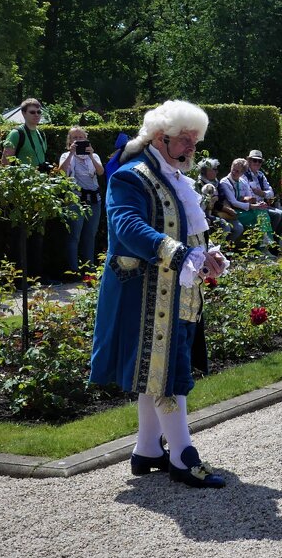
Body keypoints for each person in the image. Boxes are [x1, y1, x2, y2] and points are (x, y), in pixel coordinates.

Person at [89, 100, 228, 489]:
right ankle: (183, 456)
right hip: (145, 294)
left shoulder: (175, 178)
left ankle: (148, 448)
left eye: (194, 142)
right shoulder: (130, 177)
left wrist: (208, 253)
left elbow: (190, 230)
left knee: (163, 367)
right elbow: (127, 226)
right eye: (184, 141)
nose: (190, 149)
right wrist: (179, 252)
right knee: (166, 371)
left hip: (176, 292)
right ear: (158, 138)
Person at [1, 98, 49, 280]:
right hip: (21, 191)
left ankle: (36, 277)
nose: (36, 115)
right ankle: (19, 278)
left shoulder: (41, 135)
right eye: (32, 112)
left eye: (38, 112)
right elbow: (5, 164)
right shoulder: (16, 134)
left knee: (38, 234)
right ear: (23, 114)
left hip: (38, 190)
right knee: (19, 236)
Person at [58, 127, 105, 277]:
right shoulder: (66, 155)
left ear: (86, 139)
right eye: (74, 138)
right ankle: (73, 270)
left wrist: (90, 156)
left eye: (80, 137)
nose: (78, 140)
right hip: (75, 199)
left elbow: (100, 172)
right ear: (69, 141)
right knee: (74, 236)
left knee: (90, 235)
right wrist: (72, 153)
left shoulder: (94, 156)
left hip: (94, 200)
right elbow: (61, 172)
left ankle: (89, 270)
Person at [244, 150, 282, 240]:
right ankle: (269, 243)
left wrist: (262, 193)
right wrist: (261, 197)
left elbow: (271, 193)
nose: (257, 163)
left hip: (262, 205)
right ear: (249, 161)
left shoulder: (261, 175)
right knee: (277, 215)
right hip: (253, 206)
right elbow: (247, 194)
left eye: (259, 161)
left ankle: (275, 244)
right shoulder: (244, 175)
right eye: (254, 160)